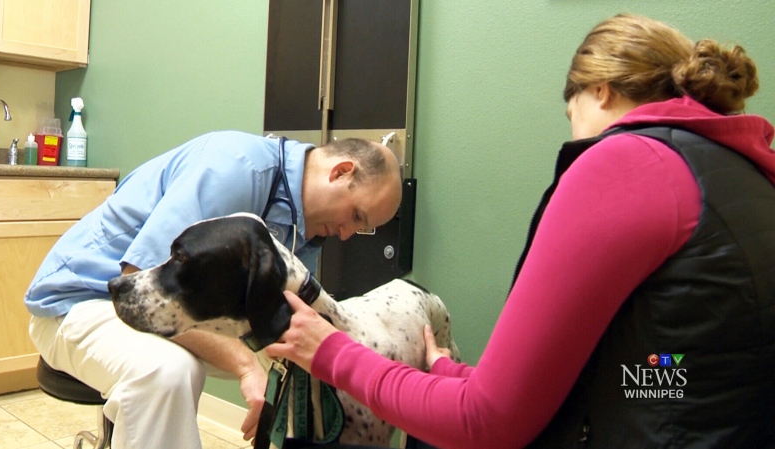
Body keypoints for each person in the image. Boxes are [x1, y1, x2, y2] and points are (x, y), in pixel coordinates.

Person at [266, 13, 775, 449]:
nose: (572, 132)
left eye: (570, 113)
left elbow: (488, 422)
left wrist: (330, 352)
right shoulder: (742, 171)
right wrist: (446, 370)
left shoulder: (627, 165)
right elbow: (640, 377)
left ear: (598, 90)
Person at [24, 131, 403, 449]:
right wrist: (245, 367)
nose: (346, 234)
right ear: (340, 172)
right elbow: (143, 288)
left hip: (148, 308)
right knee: (168, 373)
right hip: (84, 300)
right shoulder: (238, 167)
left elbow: (284, 328)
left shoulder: (303, 230)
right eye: (356, 216)